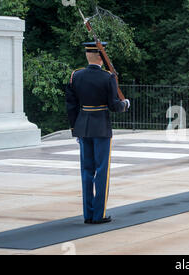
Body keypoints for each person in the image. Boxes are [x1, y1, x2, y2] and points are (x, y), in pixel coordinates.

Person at [65, 42, 130, 224]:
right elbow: (114, 106)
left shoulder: (76, 76)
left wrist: (75, 129)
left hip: (83, 127)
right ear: (101, 57)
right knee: (102, 170)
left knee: (86, 170)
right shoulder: (107, 77)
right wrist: (125, 104)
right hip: (100, 127)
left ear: (88, 55)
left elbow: (71, 106)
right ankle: (99, 214)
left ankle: (88, 214)